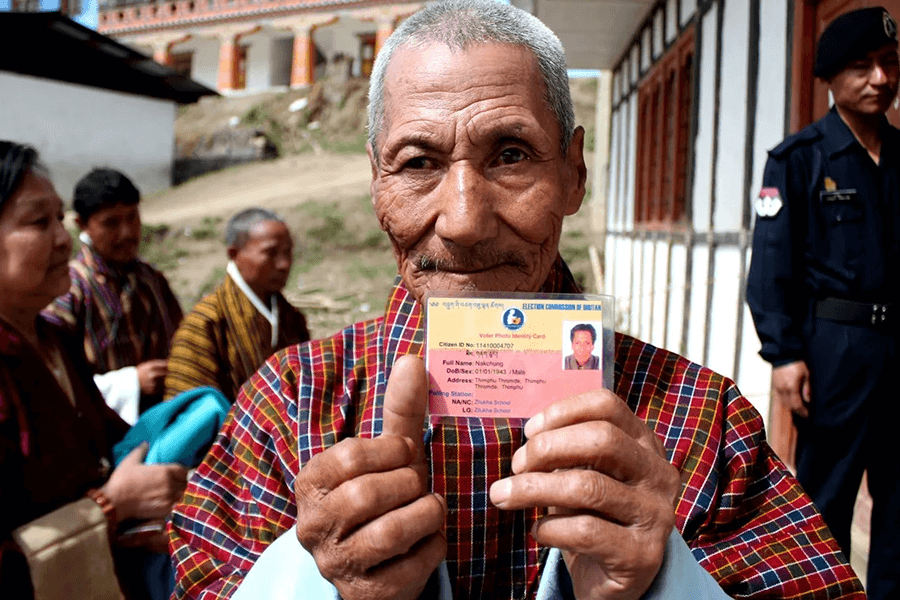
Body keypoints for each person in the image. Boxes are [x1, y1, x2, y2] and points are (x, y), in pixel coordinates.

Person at [170, 2, 863, 598]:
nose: (465, 220)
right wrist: (320, 579)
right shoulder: (291, 407)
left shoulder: (700, 423)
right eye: (418, 163)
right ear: (377, 183)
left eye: (511, 155)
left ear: (574, 173)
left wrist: (658, 579)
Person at [747, 7, 900, 598]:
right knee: (825, 496)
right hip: (837, 352)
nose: (880, 79)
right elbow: (771, 268)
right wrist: (784, 356)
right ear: (831, 78)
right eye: (863, 67)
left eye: (889, 64)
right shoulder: (798, 160)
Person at [0, 141, 189, 599]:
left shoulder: (55, 340)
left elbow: (103, 447)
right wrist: (111, 507)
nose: (63, 239)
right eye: (38, 222)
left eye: (58, 218)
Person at [43, 168, 183, 425]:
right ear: (82, 225)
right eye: (111, 223)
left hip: (161, 421)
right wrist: (131, 382)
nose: (127, 233)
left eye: (132, 217)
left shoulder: (151, 279)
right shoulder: (69, 289)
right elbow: (54, 380)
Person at [162, 208, 310, 402]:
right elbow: (190, 411)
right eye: (270, 253)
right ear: (234, 254)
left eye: (288, 251)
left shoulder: (291, 317)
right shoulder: (205, 323)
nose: (284, 264)